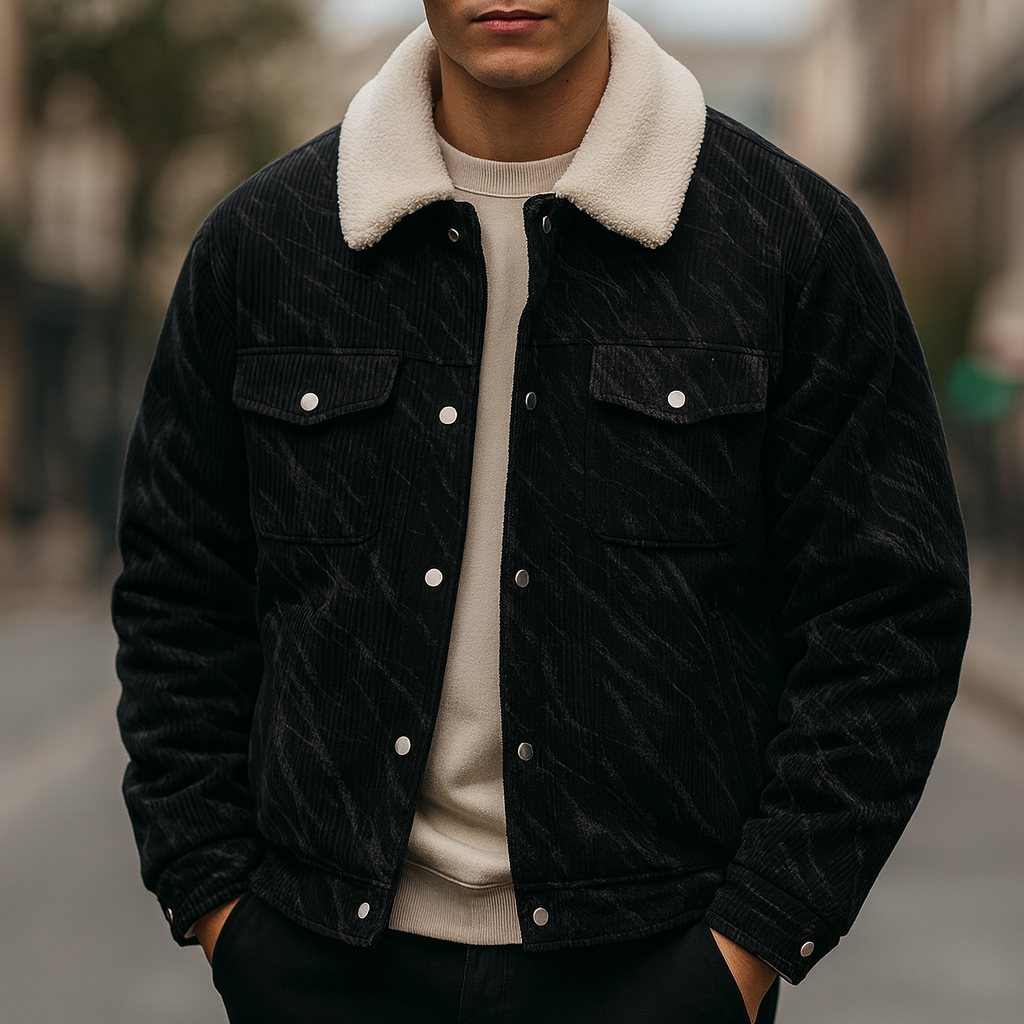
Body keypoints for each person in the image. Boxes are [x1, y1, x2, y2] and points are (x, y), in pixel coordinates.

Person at [113, 3, 972, 1022]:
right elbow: (178, 593)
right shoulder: (264, 244)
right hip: (320, 958)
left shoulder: (787, 243)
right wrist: (222, 909)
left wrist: (746, 943)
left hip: (653, 964)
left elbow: (888, 616)